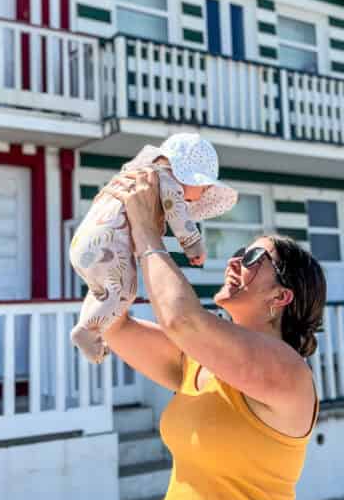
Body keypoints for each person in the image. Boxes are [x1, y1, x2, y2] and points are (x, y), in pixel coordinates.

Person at [102, 166, 336, 500]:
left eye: (255, 258)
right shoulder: (199, 360)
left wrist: (147, 233)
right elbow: (110, 325)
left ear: (282, 298)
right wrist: (115, 225)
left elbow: (183, 320)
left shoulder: (286, 372)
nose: (236, 260)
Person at [69, 133, 237, 363]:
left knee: (103, 291)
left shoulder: (135, 176)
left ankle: (89, 326)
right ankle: (86, 331)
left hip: (83, 243)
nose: (204, 193)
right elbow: (177, 214)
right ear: (187, 176)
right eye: (204, 187)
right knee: (125, 291)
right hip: (106, 243)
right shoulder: (166, 179)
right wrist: (193, 244)